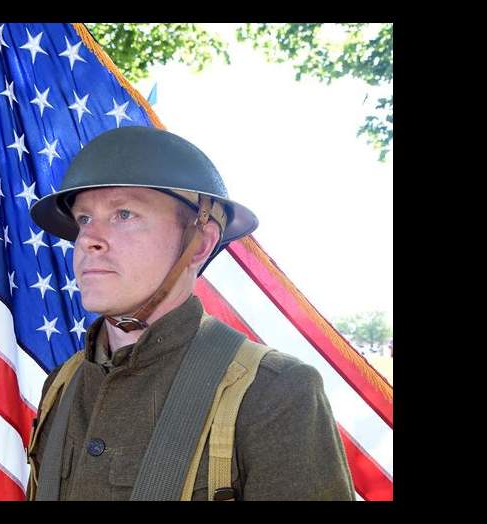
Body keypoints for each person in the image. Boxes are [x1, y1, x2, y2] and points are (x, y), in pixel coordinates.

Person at [26, 126, 355, 501]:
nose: (88, 239)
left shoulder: (272, 391)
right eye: (84, 219)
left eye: (124, 214)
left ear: (199, 243)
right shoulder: (64, 384)